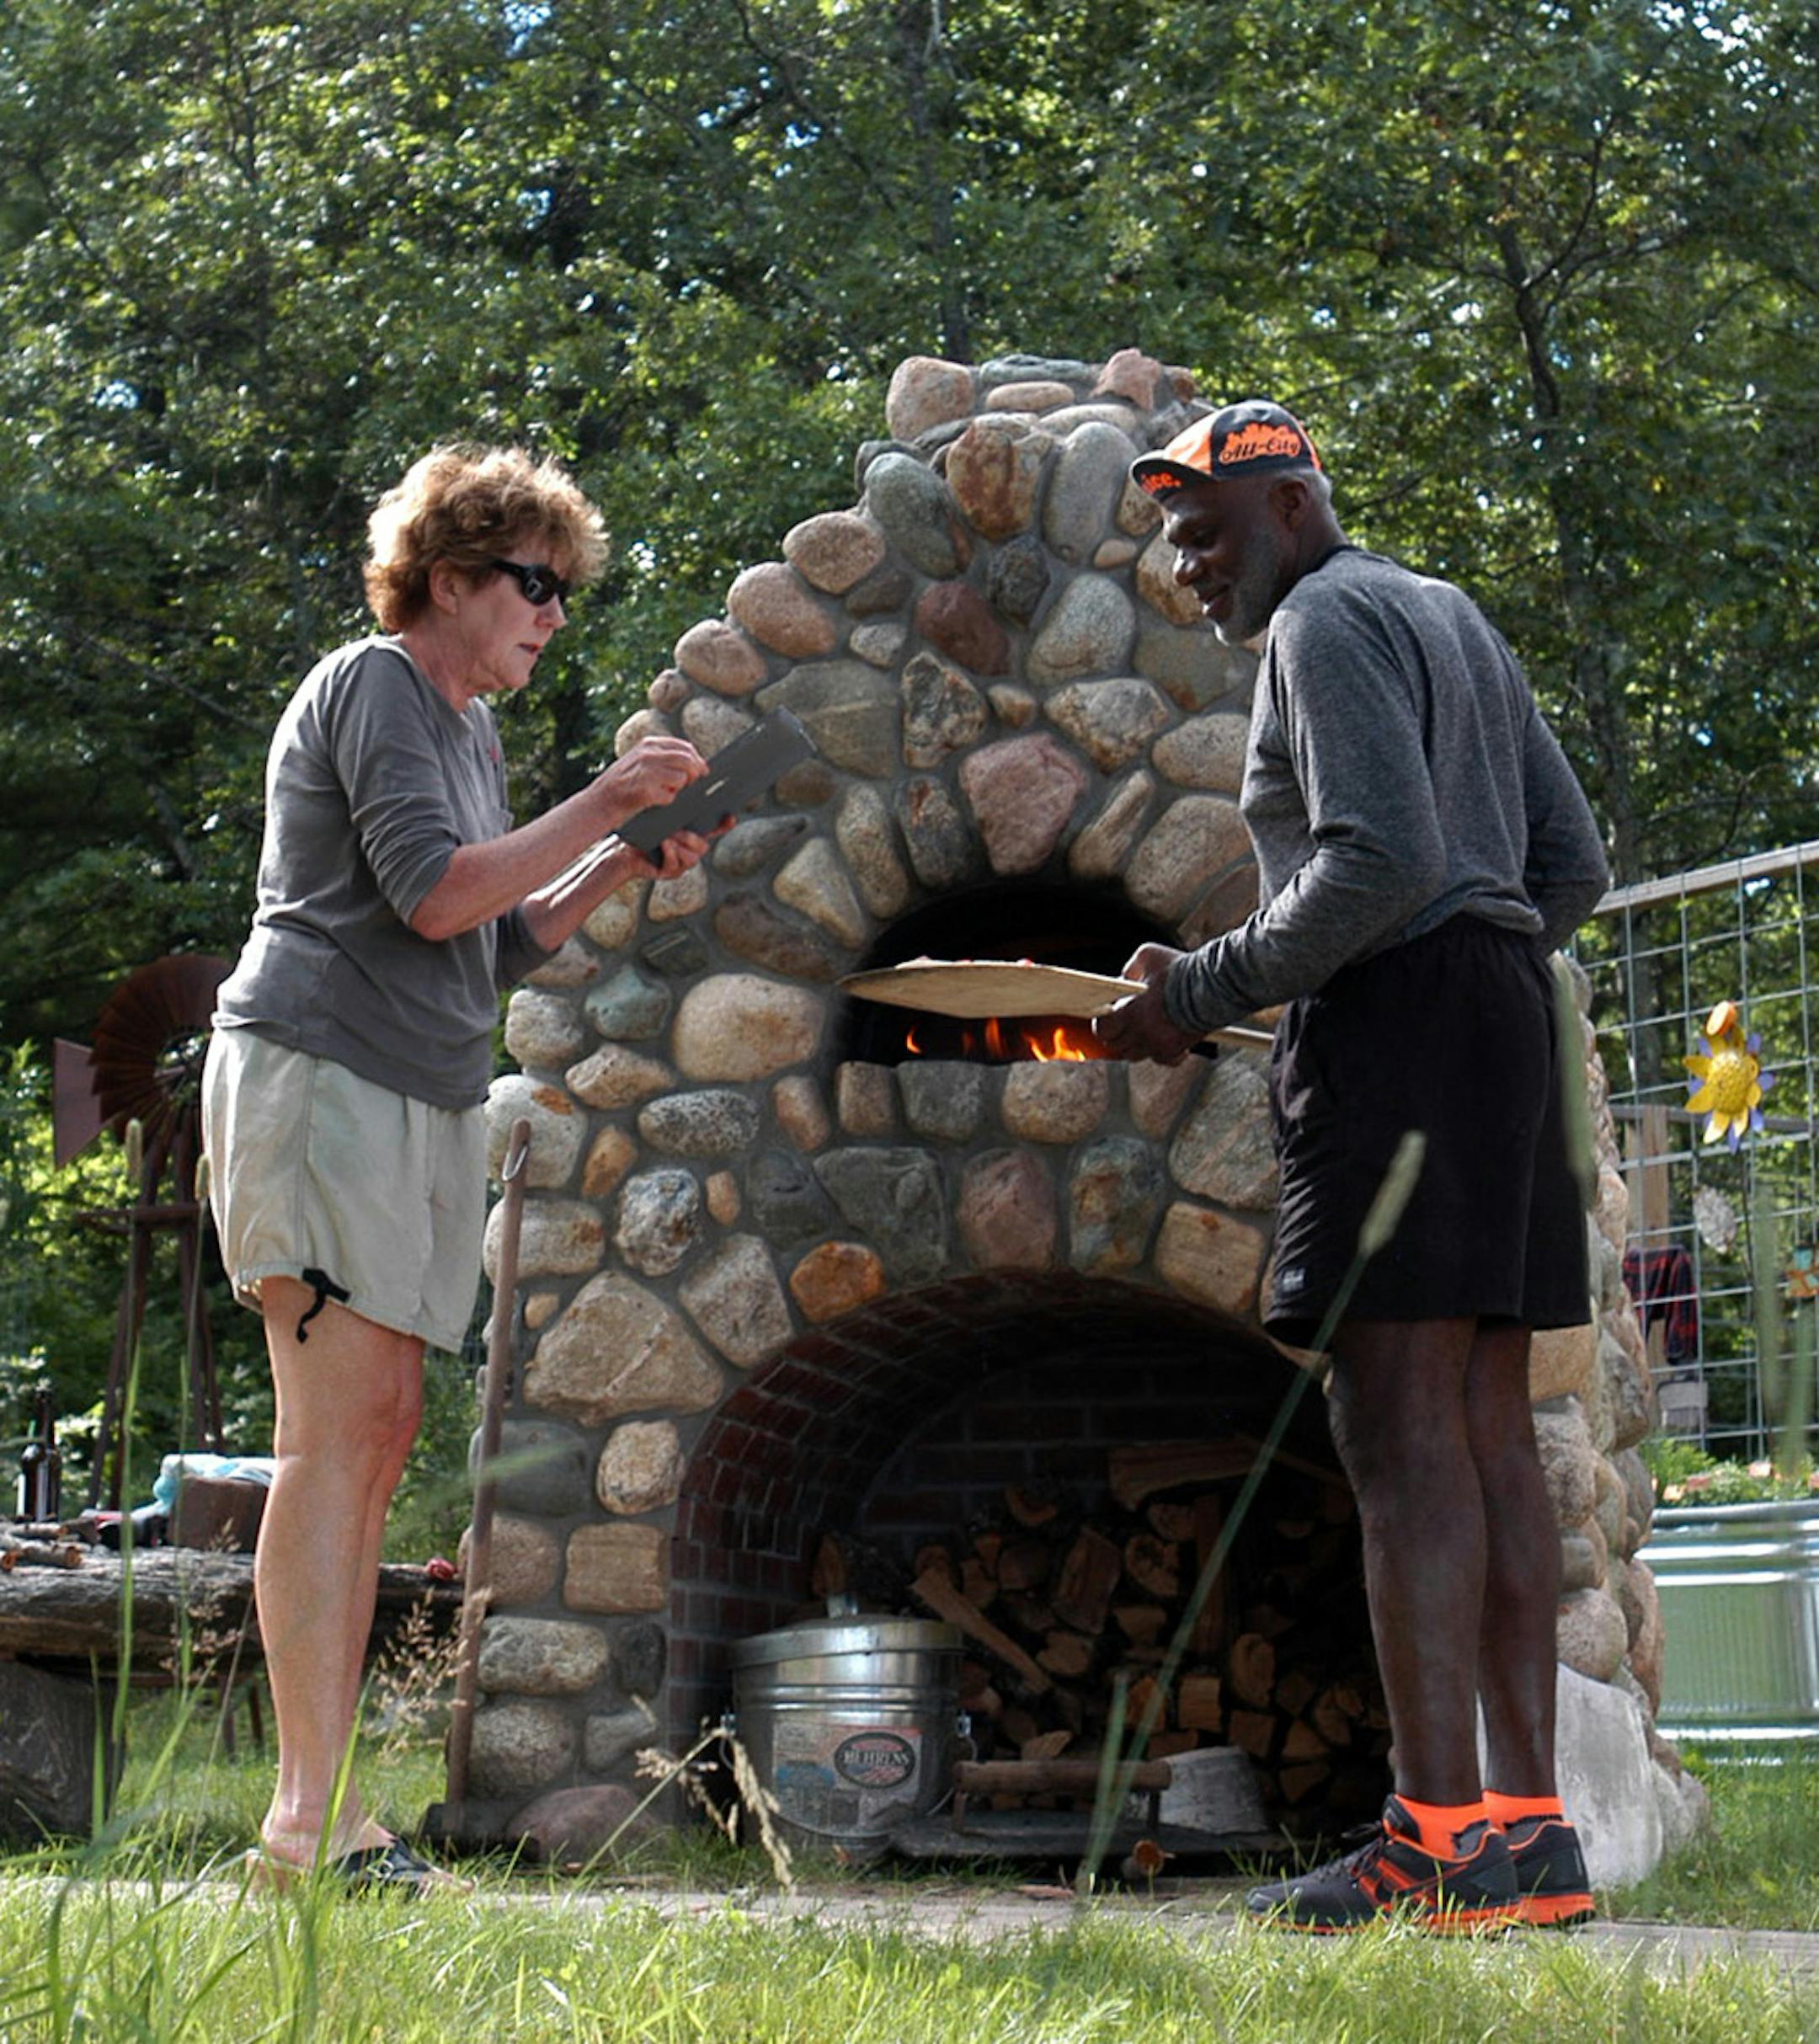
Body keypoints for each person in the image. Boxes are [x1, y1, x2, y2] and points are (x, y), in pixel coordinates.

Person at [1096, 400, 1611, 1934]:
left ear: (1294, 511)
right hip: (1506, 1015)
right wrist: (1481, 962)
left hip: (1399, 1032)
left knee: (1397, 1437)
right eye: (1176, 540)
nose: (1188, 569)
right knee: (1488, 1429)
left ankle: (1431, 1843)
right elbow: (1569, 868)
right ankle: (1529, 1843)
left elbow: (1374, 859)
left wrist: (1191, 993)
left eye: (1206, 534)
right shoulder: (1451, 614)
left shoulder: (1322, 621)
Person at [203, 444, 718, 1893]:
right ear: (450, 577)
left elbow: (498, 936)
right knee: (335, 1438)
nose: (554, 616)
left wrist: (621, 862)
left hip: (416, 1094)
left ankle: (322, 1813)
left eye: (564, 593)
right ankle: (311, 1825)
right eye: (534, 584)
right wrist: (609, 801)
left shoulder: (470, 736)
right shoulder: (371, 685)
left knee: (372, 1440)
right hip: (321, 1081)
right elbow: (431, 895)